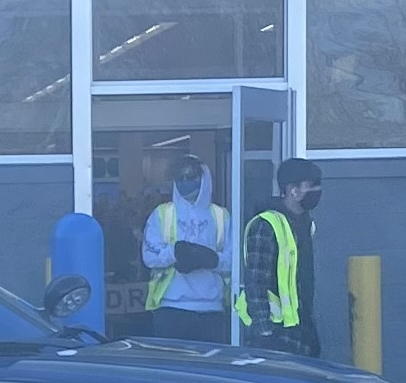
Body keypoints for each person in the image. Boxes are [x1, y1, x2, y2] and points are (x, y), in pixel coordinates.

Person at [136, 152, 231, 343]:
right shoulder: (162, 214)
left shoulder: (221, 216)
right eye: (180, 177)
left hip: (211, 309)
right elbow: (149, 256)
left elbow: (233, 261)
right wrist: (174, 252)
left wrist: (211, 259)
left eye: (191, 177)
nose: (185, 181)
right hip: (171, 308)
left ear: (204, 178)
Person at [239, 158, 325, 357]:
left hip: (300, 329)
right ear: (293, 190)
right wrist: (264, 332)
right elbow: (255, 282)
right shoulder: (266, 225)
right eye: (312, 186)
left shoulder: (304, 225)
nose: (318, 191)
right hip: (275, 334)